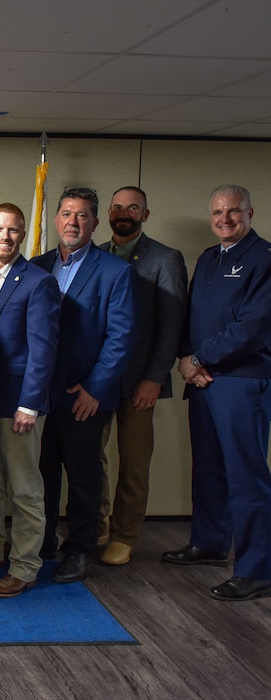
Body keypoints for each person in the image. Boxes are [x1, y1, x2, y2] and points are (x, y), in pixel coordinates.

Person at [165, 185, 271, 602]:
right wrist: (187, 358)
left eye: (233, 212)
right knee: (209, 468)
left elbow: (253, 325)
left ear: (250, 212)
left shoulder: (263, 259)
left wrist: (201, 358)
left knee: (246, 477)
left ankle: (257, 569)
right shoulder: (210, 257)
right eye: (217, 212)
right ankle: (209, 543)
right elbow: (192, 314)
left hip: (243, 381)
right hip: (204, 380)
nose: (224, 219)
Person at [32, 187, 134, 583]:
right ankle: (42, 540)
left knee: (84, 475)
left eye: (82, 216)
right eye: (67, 214)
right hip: (42, 394)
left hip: (85, 397)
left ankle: (79, 549)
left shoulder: (115, 272)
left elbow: (120, 337)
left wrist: (94, 388)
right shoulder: (36, 266)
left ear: (94, 222)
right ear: (56, 219)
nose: (73, 222)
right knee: (42, 472)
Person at [0, 204, 60, 598]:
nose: (5, 237)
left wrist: (30, 404)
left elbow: (43, 350)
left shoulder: (38, 282)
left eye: (14, 231)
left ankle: (24, 566)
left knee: (25, 490)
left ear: (22, 236)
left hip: (18, 406)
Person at [97, 187, 187, 566]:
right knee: (90, 456)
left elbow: (172, 326)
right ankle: (97, 524)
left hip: (139, 380)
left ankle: (125, 534)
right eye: (118, 207)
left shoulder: (165, 258)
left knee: (133, 461)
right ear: (108, 213)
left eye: (133, 207)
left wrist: (155, 377)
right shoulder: (96, 254)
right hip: (98, 377)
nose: (124, 213)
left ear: (145, 215)